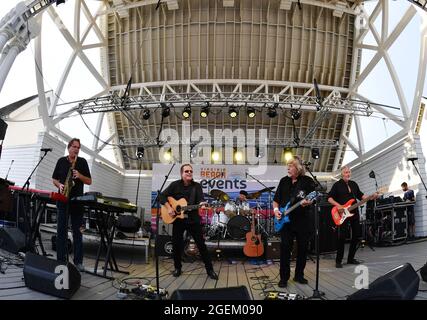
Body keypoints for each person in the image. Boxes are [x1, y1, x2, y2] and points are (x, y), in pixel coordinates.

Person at [160, 164, 218, 280]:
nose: (189, 173)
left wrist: (202, 204)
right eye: (187, 171)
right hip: (178, 221)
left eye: (191, 171)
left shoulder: (196, 186)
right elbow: (161, 196)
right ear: (182, 173)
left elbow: (201, 200)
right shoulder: (175, 185)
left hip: (193, 219)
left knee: (201, 245)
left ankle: (210, 270)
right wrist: (169, 208)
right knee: (176, 244)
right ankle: (177, 268)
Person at [273, 156, 315, 288]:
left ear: (298, 168)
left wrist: (309, 202)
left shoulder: (307, 181)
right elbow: (276, 200)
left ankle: (299, 275)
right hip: (286, 222)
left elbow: (312, 197)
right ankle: (284, 278)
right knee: (285, 248)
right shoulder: (284, 181)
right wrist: (275, 210)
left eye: (290, 166)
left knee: (303, 249)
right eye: (288, 166)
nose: (288, 168)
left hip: (302, 220)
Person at [52, 138, 92, 271]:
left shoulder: (82, 162)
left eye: (78, 147)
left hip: (77, 202)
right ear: (69, 147)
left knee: (77, 232)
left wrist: (80, 175)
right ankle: (60, 260)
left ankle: (78, 262)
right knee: (61, 231)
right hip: (62, 199)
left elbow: (89, 181)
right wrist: (60, 184)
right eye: (74, 146)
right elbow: (54, 179)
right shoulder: (61, 161)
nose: (76, 149)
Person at [328, 166, 378, 268]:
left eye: (349, 172)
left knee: (356, 235)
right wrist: (339, 206)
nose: (348, 174)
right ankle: (338, 260)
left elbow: (361, 196)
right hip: (342, 213)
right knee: (342, 237)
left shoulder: (354, 184)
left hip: (354, 212)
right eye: (346, 172)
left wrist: (371, 197)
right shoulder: (337, 185)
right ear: (342, 174)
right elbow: (329, 198)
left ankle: (351, 258)